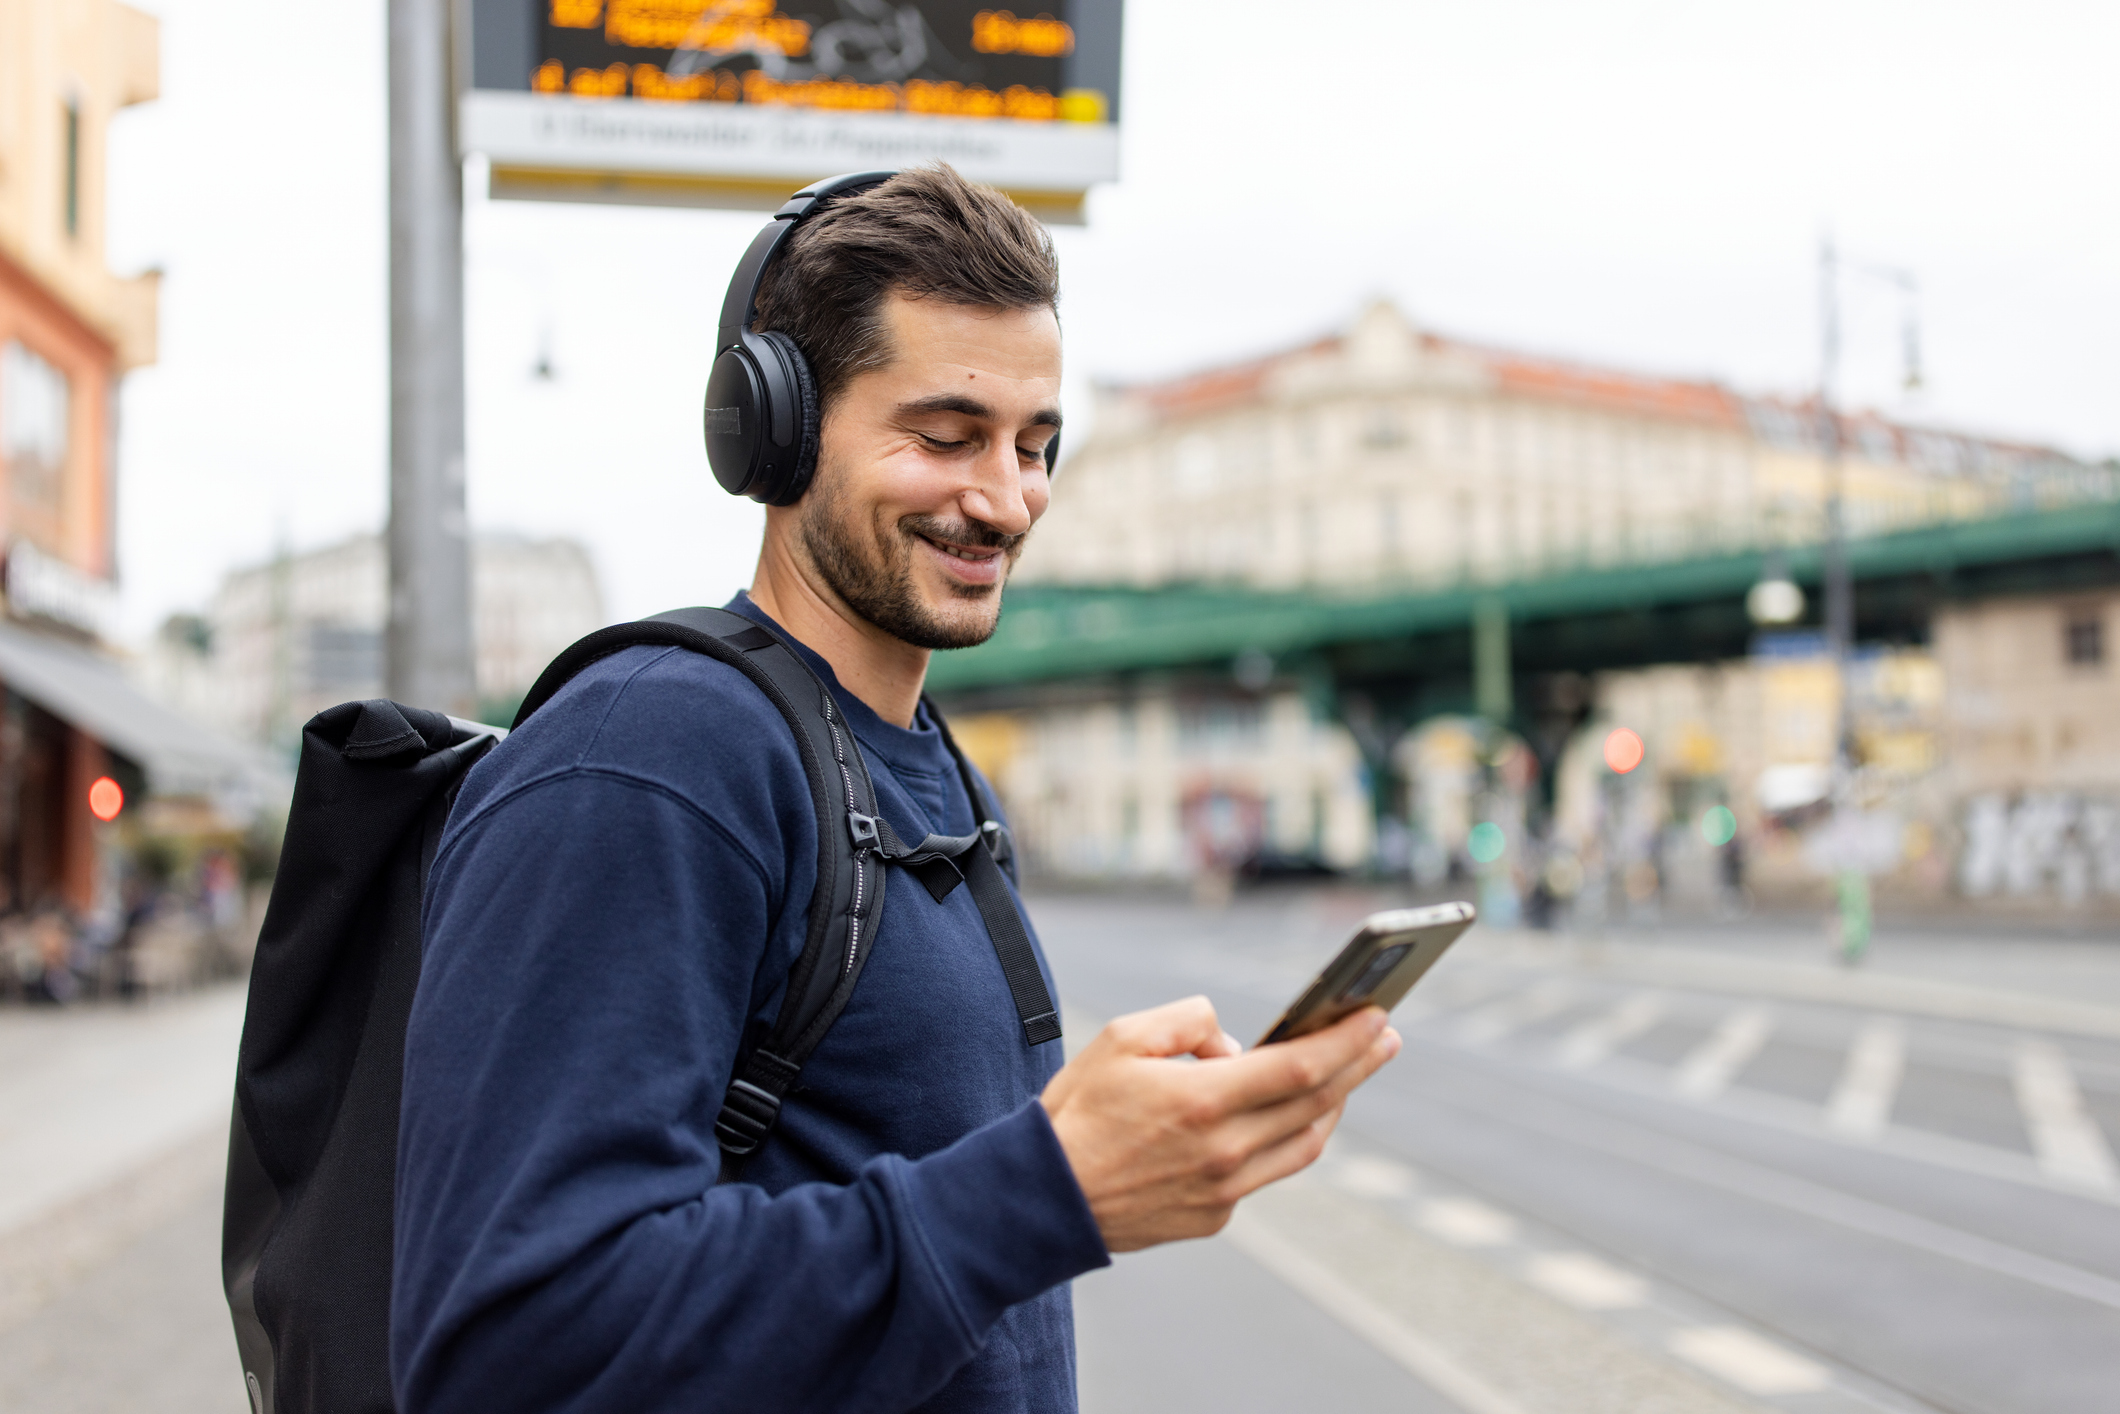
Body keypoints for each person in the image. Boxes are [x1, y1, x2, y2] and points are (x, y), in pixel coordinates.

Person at [392, 165, 1401, 1414]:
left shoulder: (928, 760)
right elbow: (507, 1345)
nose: (1005, 499)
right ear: (777, 429)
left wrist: (1108, 1139)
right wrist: (1047, 1187)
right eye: (943, 437)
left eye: (1034, 445)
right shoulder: (647, 757)